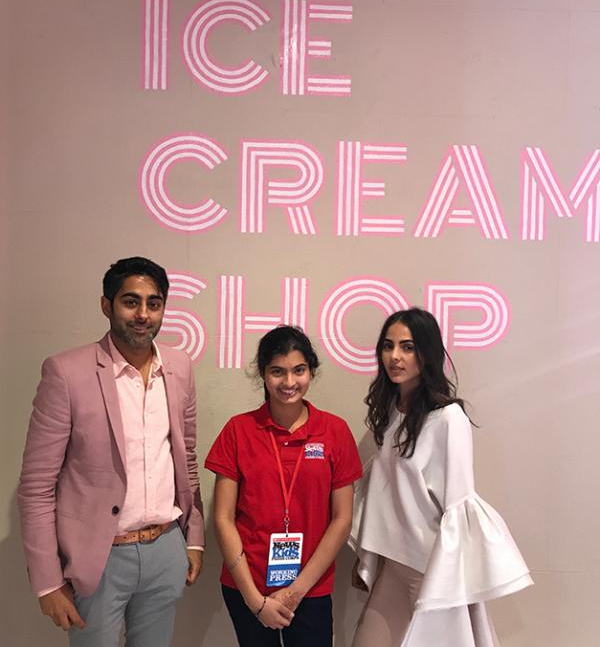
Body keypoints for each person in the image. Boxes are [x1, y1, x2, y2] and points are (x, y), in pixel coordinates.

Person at [17, 256, 204, 647]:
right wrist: (47, 581)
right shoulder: (66, 373)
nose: (143, 314)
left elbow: (185, 458)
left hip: (165, 548)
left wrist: (193, 539)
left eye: (154, 303)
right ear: (107, 305)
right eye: (130, 301)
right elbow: (36, 486)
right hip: (97, 557)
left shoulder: (180, 366)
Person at [350, 308, 533, 647]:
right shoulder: (391, 413)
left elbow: (459, 504)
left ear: (427, 352)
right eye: (388, 346)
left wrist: (446, 581)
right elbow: (384, 491)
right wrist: (369, 556)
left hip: (431, 572)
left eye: (407, 347)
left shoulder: (449, 419)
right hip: (393, 567)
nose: (395, 356)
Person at [205, 325, 362, 647]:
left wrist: (295, 591)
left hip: (311, 587)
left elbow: (342, 519)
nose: (289, 383)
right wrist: (254, 599)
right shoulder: (238, 431)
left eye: (298, 371)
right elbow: (223, 518)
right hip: (247, 586)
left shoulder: (334, 431)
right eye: (278, 371)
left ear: (311, 372)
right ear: (263, 374)